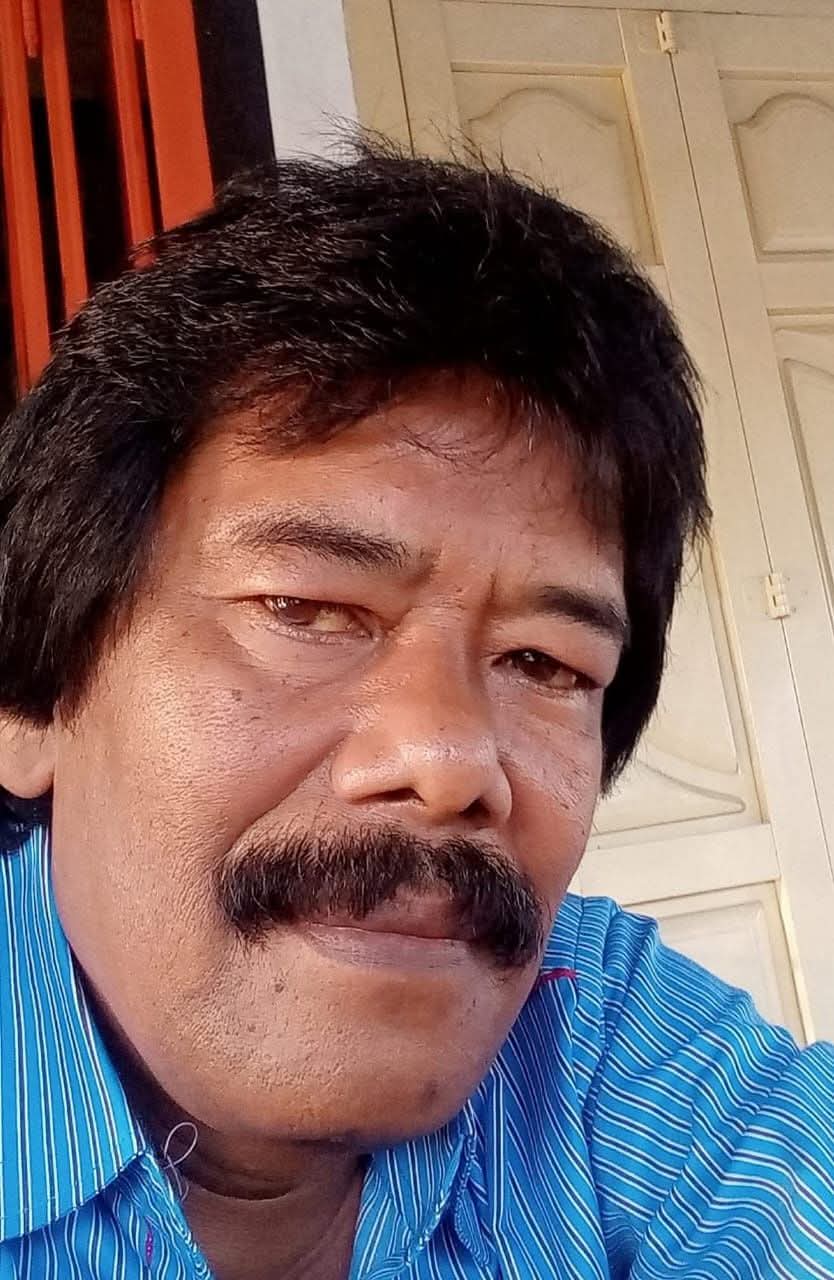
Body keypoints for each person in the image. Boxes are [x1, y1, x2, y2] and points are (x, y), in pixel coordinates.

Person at [0, 143, 831, 1280]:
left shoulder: (602, 1037)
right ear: (31, 702)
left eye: (544, 662)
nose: (448, 760)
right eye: (305, 608)